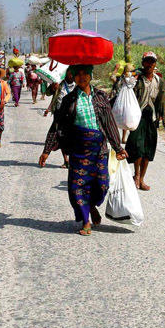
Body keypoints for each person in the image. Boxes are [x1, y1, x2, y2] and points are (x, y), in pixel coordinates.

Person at [39, 64, 126, 236]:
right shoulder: (68, 100)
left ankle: (92, 204)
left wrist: (118, 147)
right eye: (77, 74)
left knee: (102, 184)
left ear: (90, 75)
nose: (81, 77)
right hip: (78, 150)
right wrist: (47, 150)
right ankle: (85, 219)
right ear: (73, 76)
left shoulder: (101, 97)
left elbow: (109, 124)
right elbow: (57, 126)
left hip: (99, 149)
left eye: (85, 73)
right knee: (77, 186)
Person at [125, 52, 165, 191]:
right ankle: (136, 176)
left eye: (152, 62)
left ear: (155, 64)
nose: (149, 64)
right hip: (137, 118)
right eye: (147, 61)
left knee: (148, 150)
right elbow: (125, 89)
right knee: (138, 148)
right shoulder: (136, 79)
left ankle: (142, 179)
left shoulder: (159, 81)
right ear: (143, 63)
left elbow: (164, 102)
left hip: (152, 119)